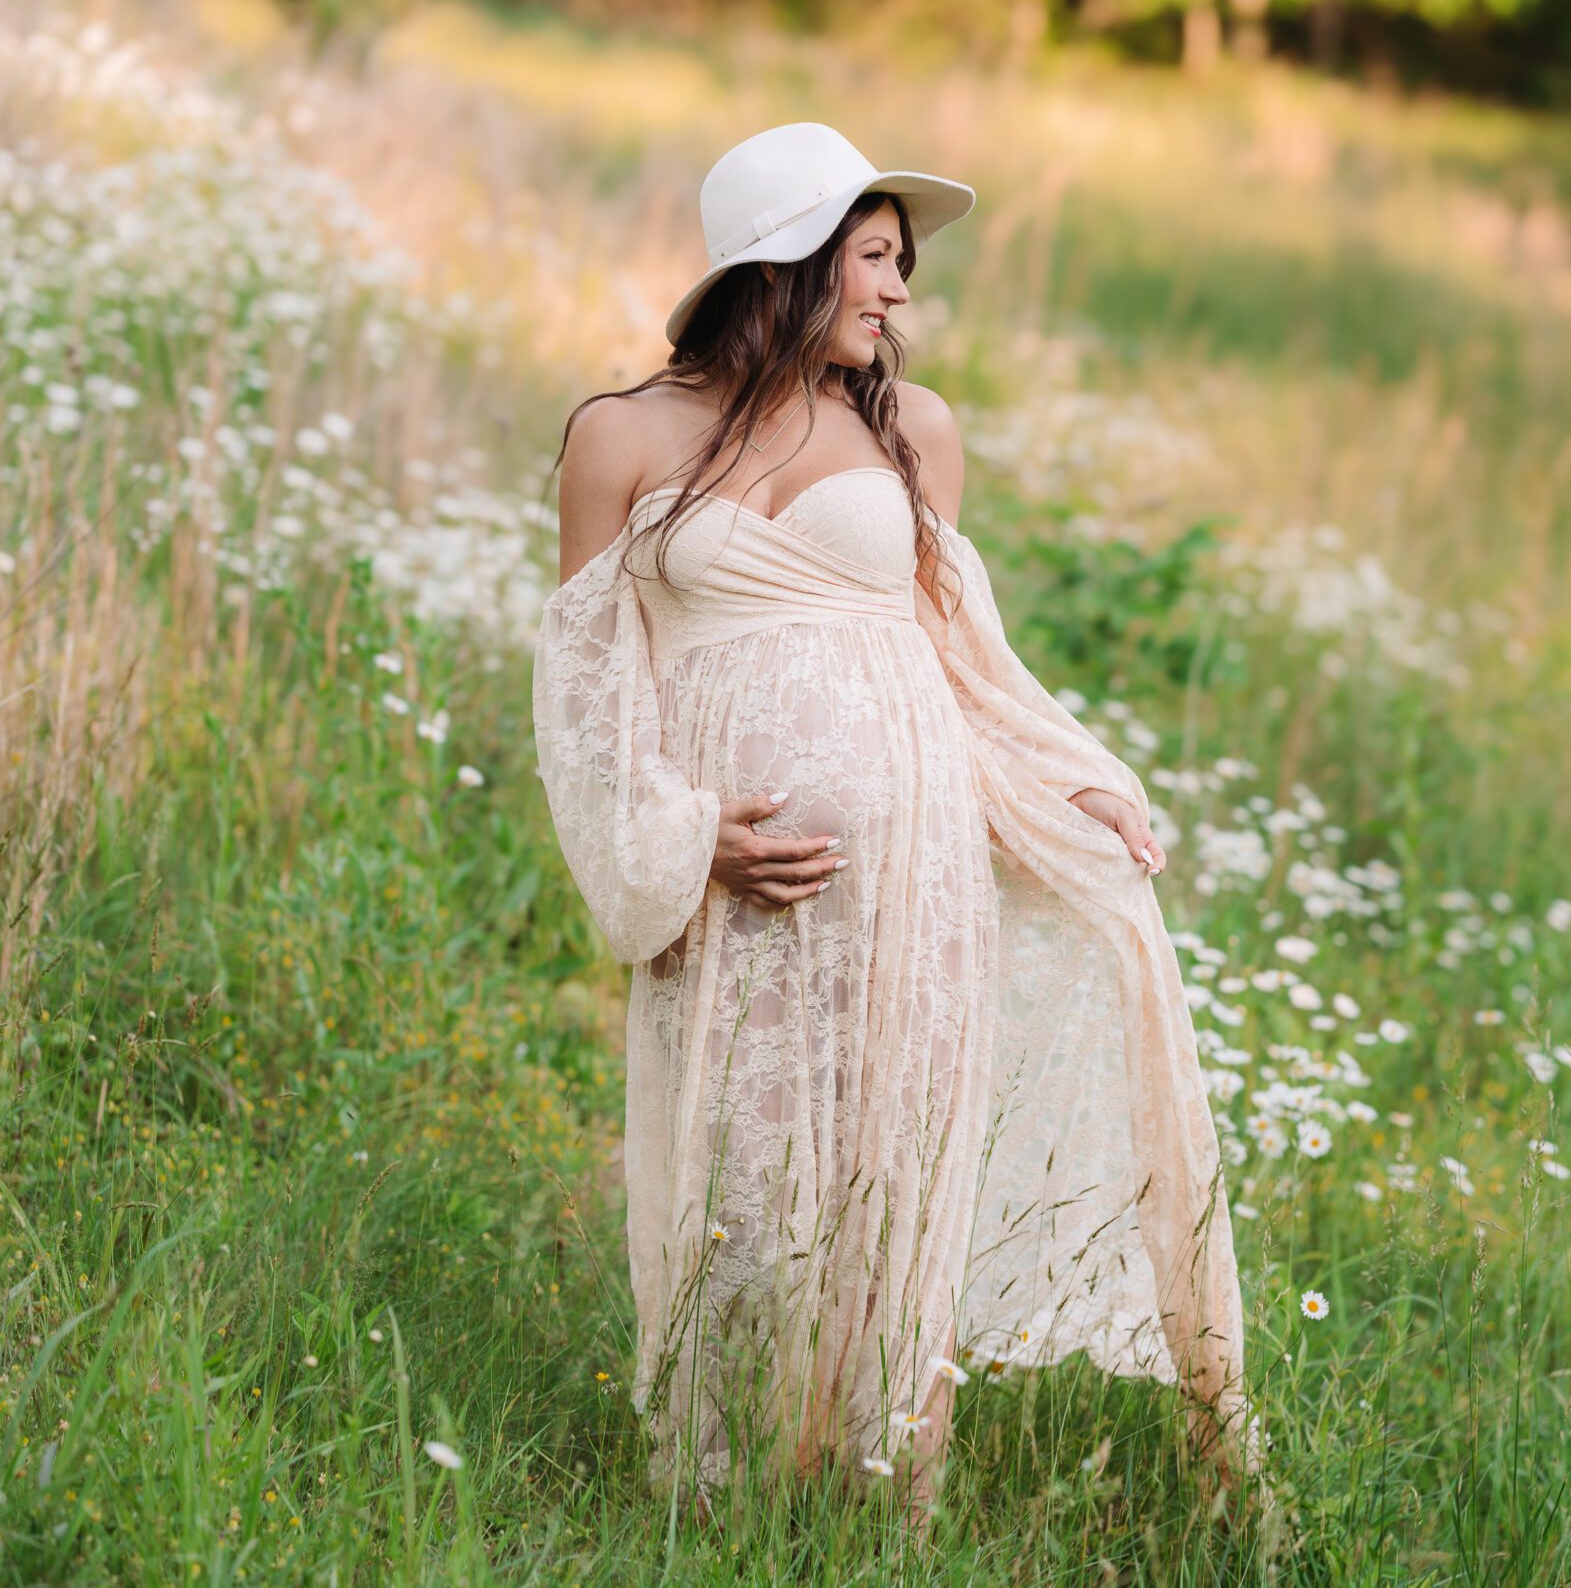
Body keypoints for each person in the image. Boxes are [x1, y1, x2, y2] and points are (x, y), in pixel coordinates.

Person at [531, 122, 1256, 1524]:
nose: (899, 295)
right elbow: (585, 693)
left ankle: (886, 1509)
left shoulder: (906, 430)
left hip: (914, 873)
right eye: (875, 259)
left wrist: (1067, 773)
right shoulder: (618, 435)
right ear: (787, 260)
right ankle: (728, 1507)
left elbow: (963, 655)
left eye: (900, 267)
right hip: (733, 891)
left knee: (896, 1172)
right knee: (742, 1181)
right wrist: (684, 841)